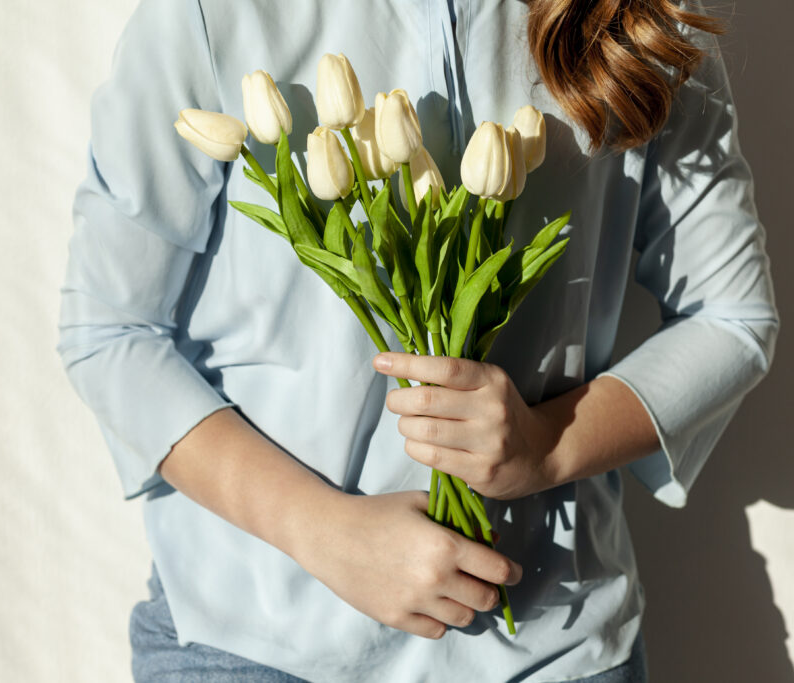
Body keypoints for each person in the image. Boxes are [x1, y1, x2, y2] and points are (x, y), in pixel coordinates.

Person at [56, 0, 779, 680]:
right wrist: (320, 530)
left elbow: (732, 317)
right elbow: (111, 329)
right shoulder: (216, 13)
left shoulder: (634, 21)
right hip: (253, 641)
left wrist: (546, 445)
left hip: (550, 647)